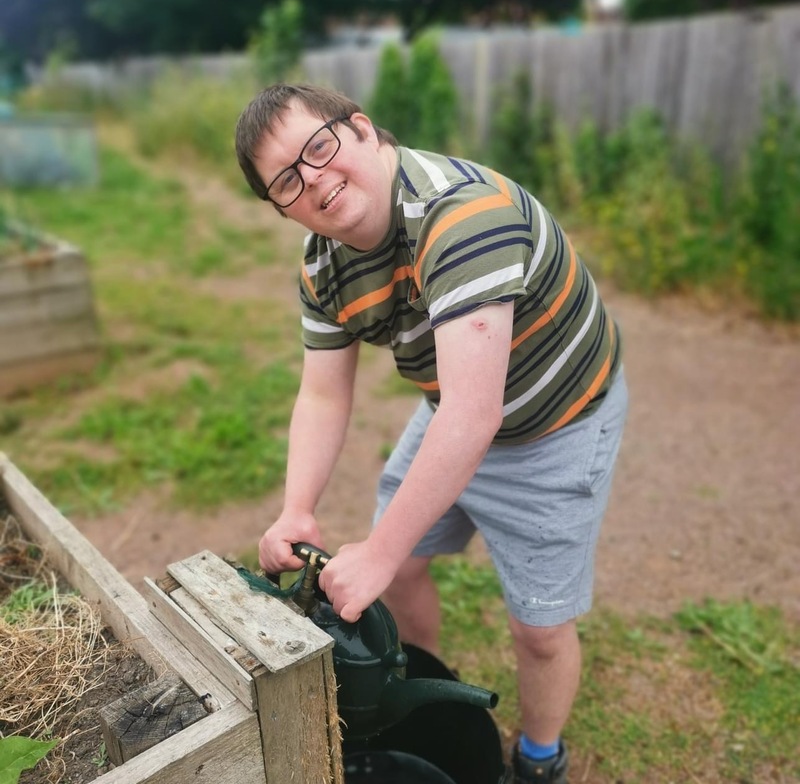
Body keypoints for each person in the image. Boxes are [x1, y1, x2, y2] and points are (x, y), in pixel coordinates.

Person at [236, 82, 628, 784]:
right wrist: (297, 509)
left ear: (361, 128)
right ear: (279, 205)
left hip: (554, 423)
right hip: (453, 408)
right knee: (405, 567)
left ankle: (541, 758)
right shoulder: (322, 265)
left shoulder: (462, 215)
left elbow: (475, 416)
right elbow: (324, 393)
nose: (315, 180)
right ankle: (423, 686)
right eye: (287, 181)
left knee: (538, 629)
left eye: (319, 148)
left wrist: (380, 551)